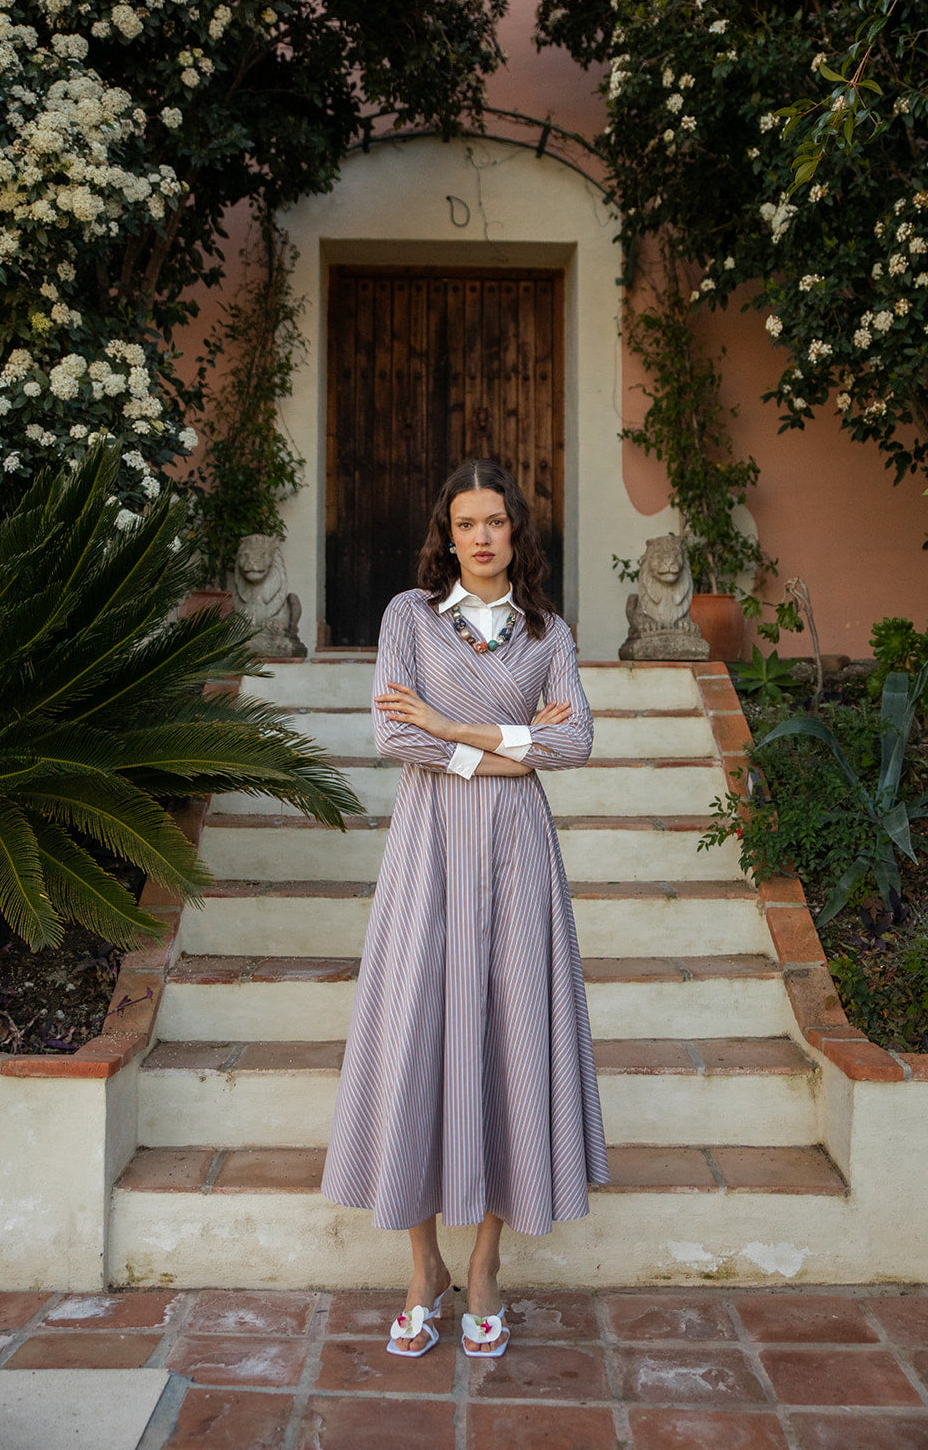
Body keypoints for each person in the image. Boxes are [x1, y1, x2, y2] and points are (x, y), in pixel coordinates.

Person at [321, 459, 609, 1358]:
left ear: (517, 532)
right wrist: (504, 748)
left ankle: (483, 1265)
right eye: (465, 523)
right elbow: (390, 731)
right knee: (418, 1031)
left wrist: (453, 729)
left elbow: (577, 741)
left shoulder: (545, 632)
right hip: (429, 845)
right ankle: (422, 1267)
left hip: (520, 855)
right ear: (445, 534)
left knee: (508, 1038)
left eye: (496, 521)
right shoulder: (409, 616)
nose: (481, 536)